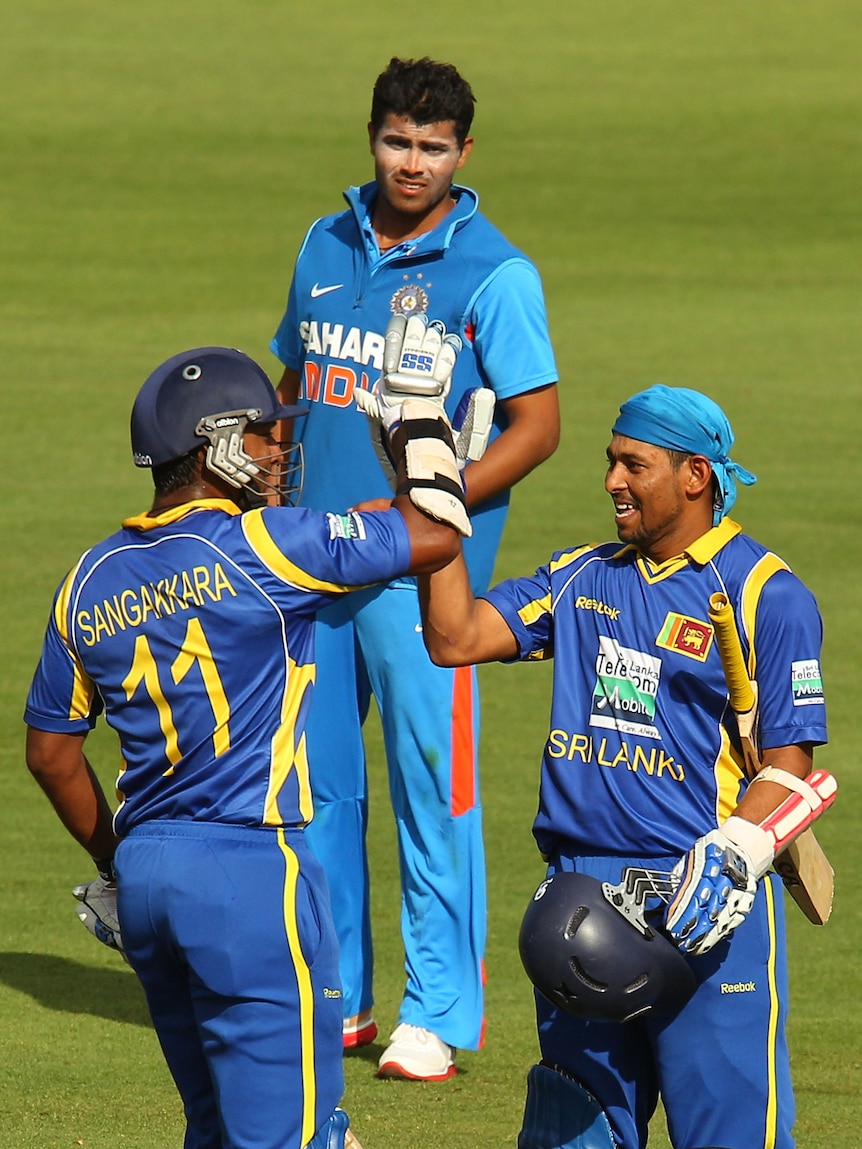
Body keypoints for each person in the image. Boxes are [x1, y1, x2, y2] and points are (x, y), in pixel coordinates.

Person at [23, 342, 464, 1149]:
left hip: (149, 876)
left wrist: (116, 860)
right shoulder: (267, 546)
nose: (278, 450)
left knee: (218, 1129)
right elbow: (434, 533)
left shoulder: (88, 579)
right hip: (251, 876)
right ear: (215, 444)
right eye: (264, 433)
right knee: (296, 1135)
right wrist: (419, 429)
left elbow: (50, 751)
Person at [418, 384, 829, 1149]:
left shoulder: (767, 595)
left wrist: (739, 851)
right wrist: (438, 503)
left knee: (731, 1135)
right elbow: (454, 636)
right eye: (611, 461)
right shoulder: (579, 576)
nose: (611, 480)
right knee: (574, 1135)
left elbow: (789, 765)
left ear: (695, 475)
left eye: (632, 464)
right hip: (579, 902)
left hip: (708, 901)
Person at [270, 54, 560, 1080]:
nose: (411, 163)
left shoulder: (495, 273)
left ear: (463, 154)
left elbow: (538, 425)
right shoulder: (321, 241)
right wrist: (266, 489)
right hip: (312, 572)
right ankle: (335, 998)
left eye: (433, 148)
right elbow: (293, 378)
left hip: (426, 582)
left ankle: (433, 1013)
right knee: (317, 795)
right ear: (372, 136)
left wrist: (437, 503)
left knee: (431, 797)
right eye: (397, 141)